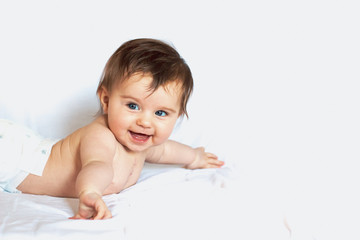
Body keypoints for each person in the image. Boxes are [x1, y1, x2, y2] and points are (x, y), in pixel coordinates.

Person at [0, 38, 224, 220]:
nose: (145, 122)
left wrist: (194, 156)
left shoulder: (142, 143)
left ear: (177, 115)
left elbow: (166, 151)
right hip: (16, 157)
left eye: (160, 113)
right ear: (106, 101)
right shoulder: (101, 136)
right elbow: (97, 166)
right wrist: (90, 192)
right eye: (133, 106)